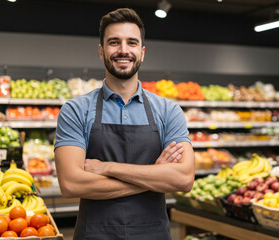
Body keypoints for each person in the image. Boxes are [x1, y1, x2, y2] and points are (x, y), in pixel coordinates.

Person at [54, 8, 195, 240]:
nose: (123, 50)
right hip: (95, 235)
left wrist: (107, 167)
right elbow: (71, 184)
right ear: (101, 51)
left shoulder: (168, 111)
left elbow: (183, 179)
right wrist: (154, 178)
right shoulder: (76, 109)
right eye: (114, 42)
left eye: (131, 42)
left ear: (142, 52)